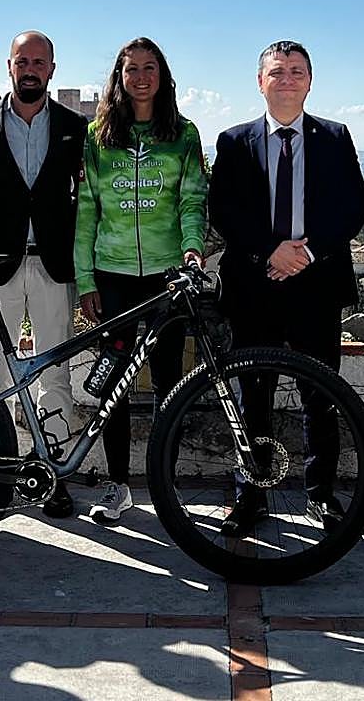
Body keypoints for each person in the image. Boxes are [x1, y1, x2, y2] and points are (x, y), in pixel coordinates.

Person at [208, 40, 364, 537]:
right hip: (254, 286)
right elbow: (224, 211)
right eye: (277, 72)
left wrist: (308, 253)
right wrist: (268, 252)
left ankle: (320, 494)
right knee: (253, 395)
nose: (287, 80)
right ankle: (250, 495)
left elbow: (351, 208)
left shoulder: (336, 137)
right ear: (260, 82)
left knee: (320, 395)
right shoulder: (233, 142)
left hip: (316, 286)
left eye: (297, 71)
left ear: (310, 80)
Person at [75, 37, 208, 524]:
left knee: (171, 381)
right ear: (119, 77)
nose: (141, 77)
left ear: (163, 75)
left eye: (150, 68)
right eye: (132, 69)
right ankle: (117, 485)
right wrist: (85, 278)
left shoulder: (185, 134)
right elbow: (87, 211)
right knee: (114, 384)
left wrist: (193, 246)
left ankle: (166, 485)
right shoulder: (97, 136)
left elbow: (192, 201)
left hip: (168, 274)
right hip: (112, 276)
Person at [0, 32, 86, 518]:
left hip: (54, 264)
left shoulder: (76, 127)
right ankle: (0, 475)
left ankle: (52, 474)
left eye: (39, 62)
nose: (30, 69)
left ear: (52, 69)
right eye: (22, 61)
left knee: (55, 372)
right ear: (8, 66)